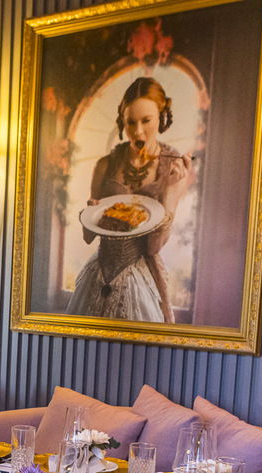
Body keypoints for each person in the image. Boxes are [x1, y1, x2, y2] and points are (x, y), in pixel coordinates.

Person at [67, 76, 193, 323]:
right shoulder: (105, 165)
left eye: (146, 120)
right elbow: (88, 236)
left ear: (161, 117)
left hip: (141, 278)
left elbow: (154, 247)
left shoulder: (174, 168)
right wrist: (91, 213)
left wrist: (170, 193)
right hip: (98, 273)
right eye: (130, 122)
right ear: (122, 122)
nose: (138, 131)